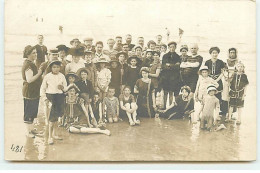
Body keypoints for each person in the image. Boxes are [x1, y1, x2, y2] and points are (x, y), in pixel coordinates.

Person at [40, 60, 67, 145]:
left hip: (59, 96)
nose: (56, 69)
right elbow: (42, 89)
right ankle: (49, 137)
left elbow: (66, 89)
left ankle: (54, 134)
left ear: (60, 68)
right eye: (54, 67)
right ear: (51, 68)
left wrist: (62, 87)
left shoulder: (62, 76)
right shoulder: (47, 76)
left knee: (57, 117)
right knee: (51, 118)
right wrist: (45, 99)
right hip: (50, 97)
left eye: (57, 67)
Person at [22, 45, 43, 138]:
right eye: (33, 53)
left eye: (36, 52)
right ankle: (28, 132)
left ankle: (31, 129)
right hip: (29, 91)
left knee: (33, 110)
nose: (36, 54)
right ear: (28, 54)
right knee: (28, 111)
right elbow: (29, 79)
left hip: (34, 91)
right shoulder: (28, 64)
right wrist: (39, 73)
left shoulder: (31, 63)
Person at [161, 41, 181, 108]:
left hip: (173, 78)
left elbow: (178, 67)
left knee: (171, 92)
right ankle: (164, 107)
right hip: (165, 77)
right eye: (170, 47)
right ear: (168, 48)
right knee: (165, 92)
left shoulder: (178, 56)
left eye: (173, 47)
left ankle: (169, 107)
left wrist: (169, 65)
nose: (172, 48)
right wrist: (173, 66)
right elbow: (163, 66)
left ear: (175, 47)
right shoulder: (165, 56)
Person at [222, 48, 238, 119]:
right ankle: (224, 112)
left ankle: (231, 113)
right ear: (229, 53)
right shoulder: (225, 62)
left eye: (233, 53)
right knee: (225, 95)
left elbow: (239, 71)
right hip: (226, 79)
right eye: (231, 52)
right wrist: (226, 77)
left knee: (232, 95)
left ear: (235, 53)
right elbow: (223, 70)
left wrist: (232, 77)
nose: (232, 54)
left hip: (234, 80)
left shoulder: (237, 62)